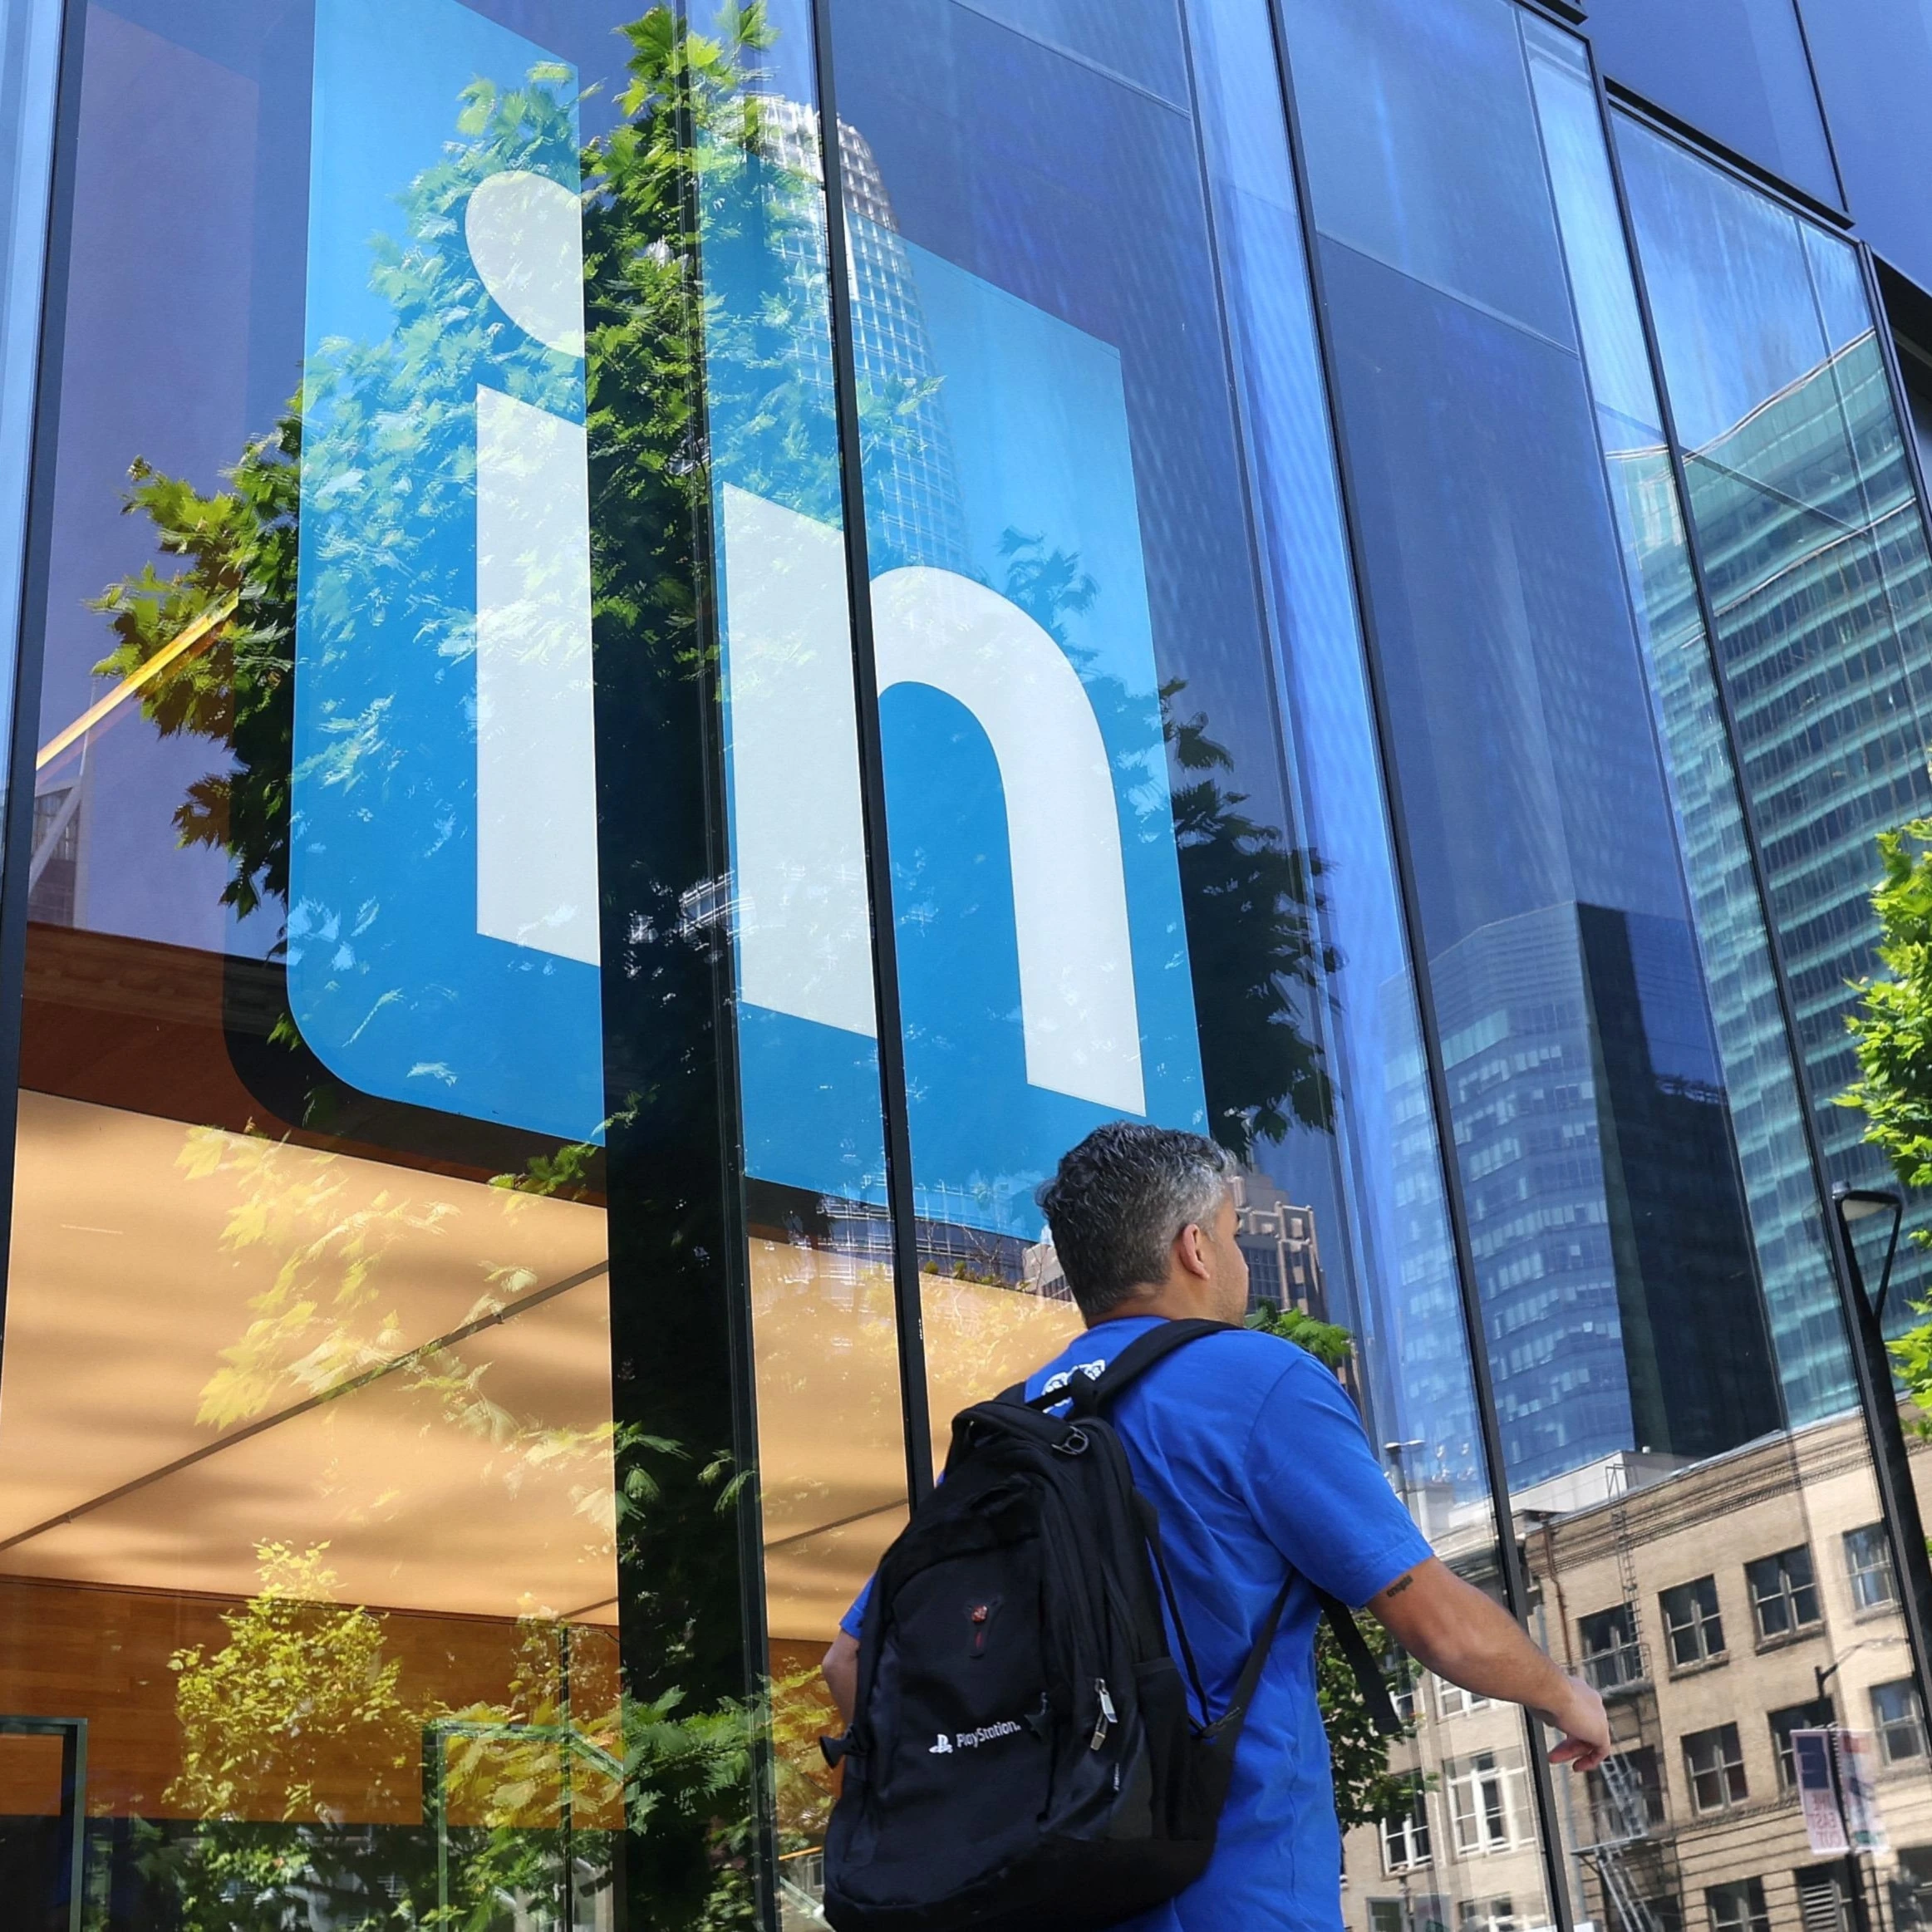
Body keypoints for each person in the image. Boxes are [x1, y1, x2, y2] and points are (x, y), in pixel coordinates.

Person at [822, 1121, 1610, 1931]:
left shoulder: (1014, 1427)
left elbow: (850, 1660)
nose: (1237, 1261)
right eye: (1233, 1236)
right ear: (1194, 1248)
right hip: (1233, 1900)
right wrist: (1566, 1696)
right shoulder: (1256, 1380)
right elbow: (1441, 1625)